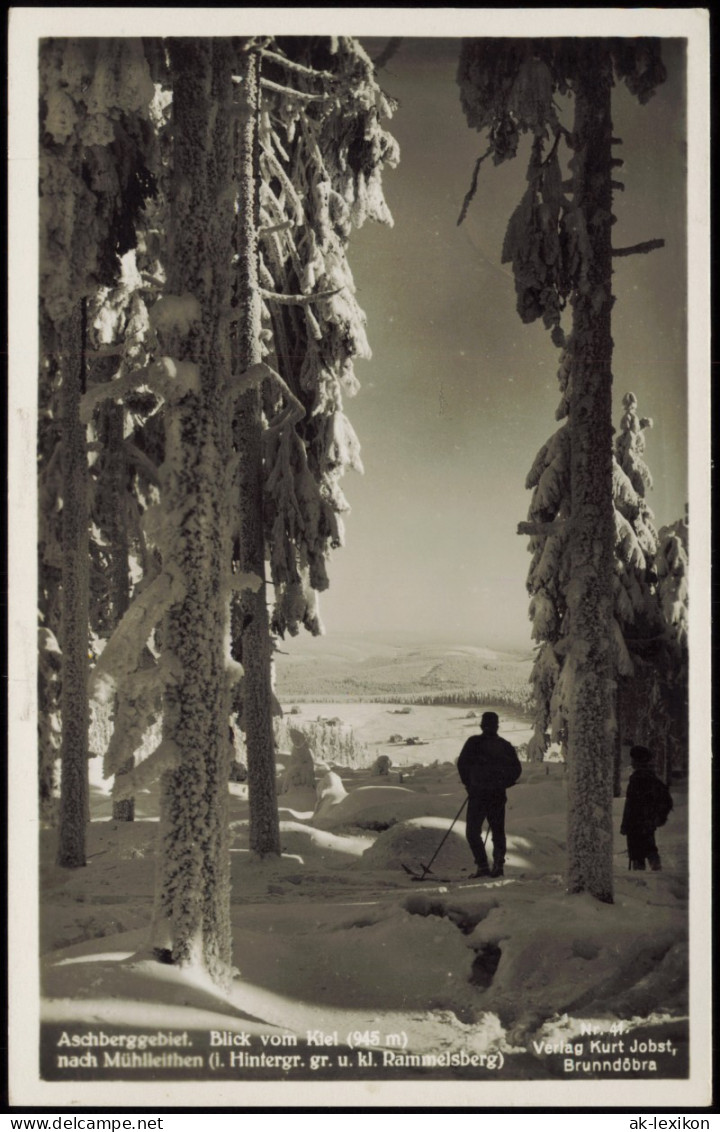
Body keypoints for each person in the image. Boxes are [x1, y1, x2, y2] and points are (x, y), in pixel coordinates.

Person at [457, 711, 522, 878]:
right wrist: (503, 783)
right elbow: (516, 770)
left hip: (478, 794)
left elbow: (462, 765)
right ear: (497, 726)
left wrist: (469, 784)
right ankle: (498, 866)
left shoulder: (473, 743)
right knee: (497, 831)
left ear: (482, 725)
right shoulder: (505, 745)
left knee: (472, 832)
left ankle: (483, 866)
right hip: (497, 795)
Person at [620, 745, 673, 871]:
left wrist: (625, 825)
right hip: (648, 823)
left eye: (634, 760)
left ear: (638, 761)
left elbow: (631, 805)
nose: (632, 762)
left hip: (636, 823)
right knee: (650, 849)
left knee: (637, 854)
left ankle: (643, 880)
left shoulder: (638, 779)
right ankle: (657, 871)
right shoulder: (651, 777)